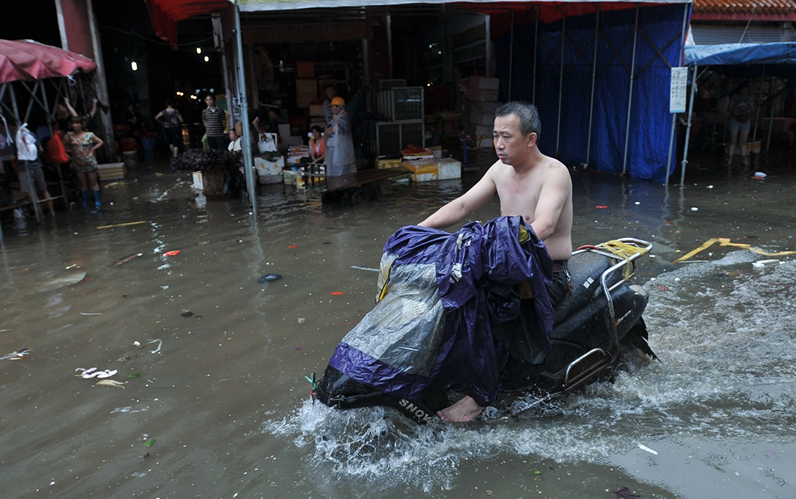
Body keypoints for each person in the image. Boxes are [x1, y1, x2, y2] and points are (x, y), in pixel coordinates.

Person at [417, 101, 573, 422]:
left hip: (544, 275)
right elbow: (462, 206)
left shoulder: (554, 174)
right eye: (495, 136)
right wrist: (416, 232)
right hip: (502, 269)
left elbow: (540, 227)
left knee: (487, 309)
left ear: (530, 139)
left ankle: (478, 398)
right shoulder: (499, 170)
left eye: (506, 136)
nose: (498, 144)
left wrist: (487, 249)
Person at [5, 124, 55, 215]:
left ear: (8, 125)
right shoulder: (29, 133)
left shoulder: (11, 137)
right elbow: (41, 149)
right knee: (44, 190)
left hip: (24, 168)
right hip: (37, 165)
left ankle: (41, 216)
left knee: (31, 193)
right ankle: (52, 213)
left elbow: (12, 157)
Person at [65, 116, 104, 210]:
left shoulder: (89, 135)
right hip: (77, 162)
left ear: (81, 125)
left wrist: (92, 149)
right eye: (73, 123)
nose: (75, 125)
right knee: (83, 184)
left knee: (93, 182)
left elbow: (100, 142)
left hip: (89, 162)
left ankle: (97, 201)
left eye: (77, 123)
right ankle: (85, 202)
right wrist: (68, 153)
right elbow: (63, 145)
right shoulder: (69, 135)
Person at [324, 97, 356, 177]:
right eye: (332, 106)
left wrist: (333, 129)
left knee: (341, 170)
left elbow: (344, 130)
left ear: (340, 107)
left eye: (335, 106)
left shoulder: (344, 117)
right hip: (334, 147)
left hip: (341, 148)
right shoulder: (335, 118)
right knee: (333, 169)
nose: (333, 108)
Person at [726, 82, 755, 169]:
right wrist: (737, 110)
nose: (744, 92)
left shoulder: (750, 97)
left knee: (743, 141)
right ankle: (730, 159)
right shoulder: (735, 96)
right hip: (736, 118)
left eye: (746, 90)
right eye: (743, 90)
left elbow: (753, 108)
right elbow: (729, 108)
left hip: (745, 119)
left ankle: (744, 158)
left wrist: (746, 111)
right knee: (733, 140)